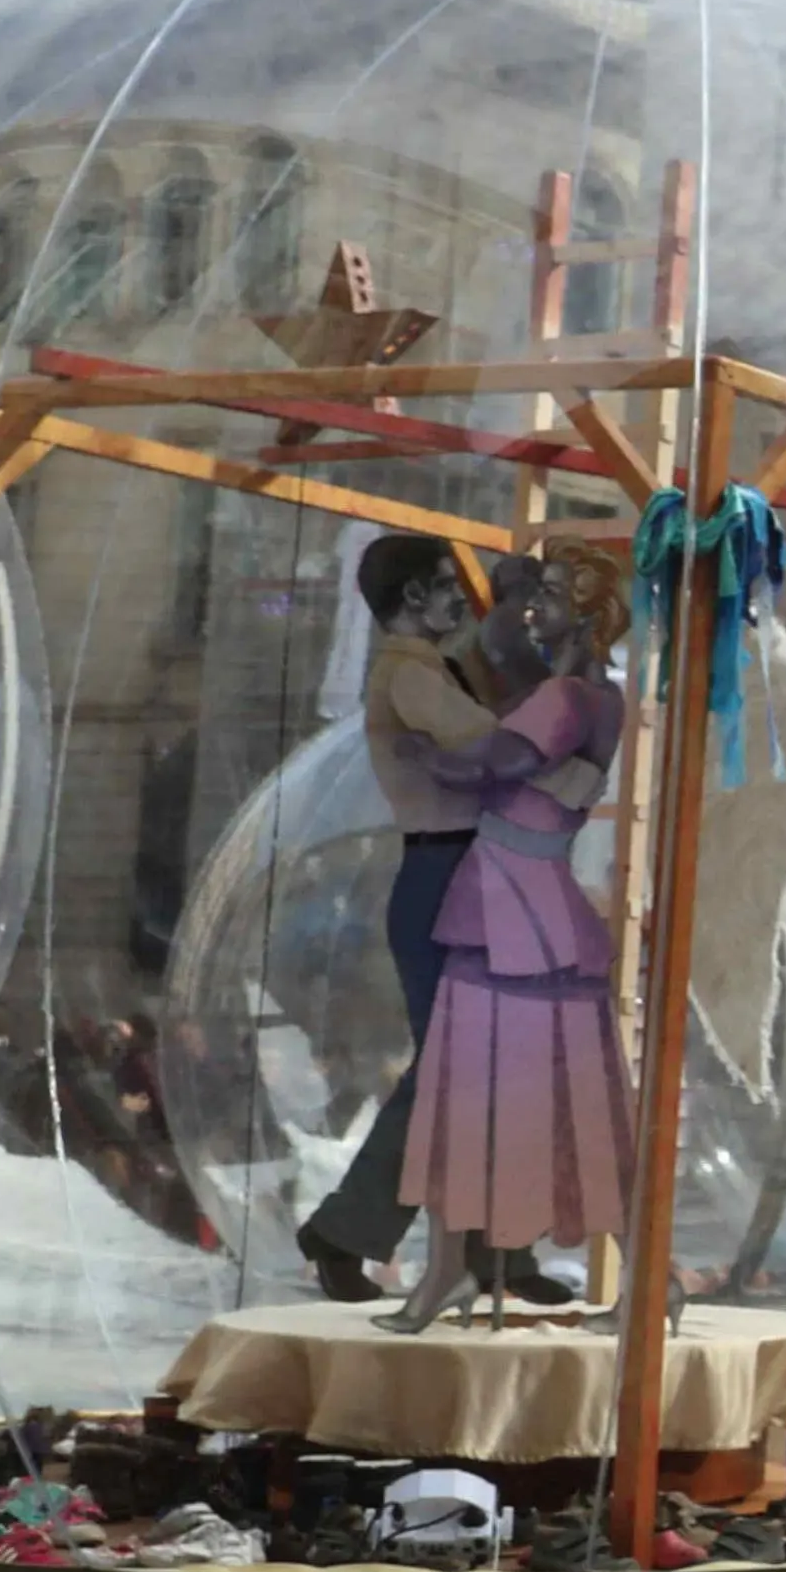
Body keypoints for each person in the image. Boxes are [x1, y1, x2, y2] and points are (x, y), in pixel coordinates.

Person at [300, 536, 572, 1310]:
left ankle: (498, 1250)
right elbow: (501, 747)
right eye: (451, 586)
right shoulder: (410, 675)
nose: (463, 597)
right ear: (414, 595)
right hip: (449, 873)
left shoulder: (438, 669)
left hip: (477, 871)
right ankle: (350, 1228)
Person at [383, 553, 637, 1335]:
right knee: (574, 1106)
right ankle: (455, 1268)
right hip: (529, 899)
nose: (536, 608)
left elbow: (496, 758)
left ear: (591, 616)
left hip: (512, 908)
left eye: (554, 596)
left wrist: (421, 747)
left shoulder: (565, 698)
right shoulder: (598, 697)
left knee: (475, 1099)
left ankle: (450, 1269)